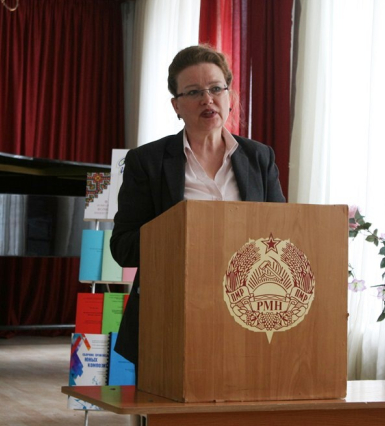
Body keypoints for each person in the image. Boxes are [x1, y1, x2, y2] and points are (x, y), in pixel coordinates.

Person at [110, 45, 285, 366]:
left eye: (216, 88)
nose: (207, 99)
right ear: (176, 105)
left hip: (248, 310)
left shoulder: (259, 157)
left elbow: (282, 235)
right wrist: (181, 232)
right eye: (193, 92)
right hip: (172, 310)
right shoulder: (147, 162)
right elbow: (123, 247)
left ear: (229, 96)